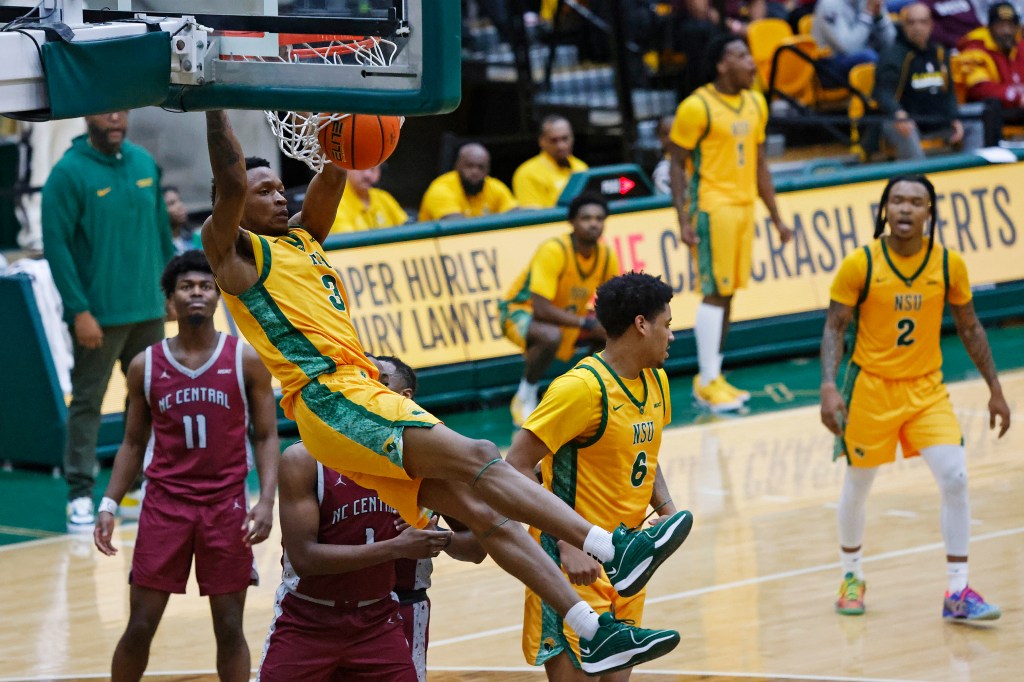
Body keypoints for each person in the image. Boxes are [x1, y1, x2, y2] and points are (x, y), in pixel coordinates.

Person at [200, 109, 692, 675]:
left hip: (353, 397)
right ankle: (613, 549)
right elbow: (233, 179)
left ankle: (591, 628)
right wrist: (215, 103)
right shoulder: (232, 255)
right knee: (482, 456)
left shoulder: (305, 240)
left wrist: (367, 105)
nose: (279, 198)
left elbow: (338, 167)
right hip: (329, 396)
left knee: (488, 519)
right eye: (267, 192)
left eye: (282, 187)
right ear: (236, 210)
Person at [819, 174, 1011, 621]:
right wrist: (829, 384)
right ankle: (851, 575)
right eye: (897, 200)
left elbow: (969, 326)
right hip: (870, 387)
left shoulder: (949, 265)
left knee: (956, 477)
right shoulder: (861, 263)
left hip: (927, 389)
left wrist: (995, 390)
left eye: (916, 202)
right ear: (885, 209)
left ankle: (958, 593)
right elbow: (835, 327)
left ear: (930, 212)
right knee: (859, 484)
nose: (905, 209)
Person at [93, 250, 279, 681]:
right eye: (185, 286)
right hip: (165, 505)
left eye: (205, 286)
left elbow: (267, 436)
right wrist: (108, 503)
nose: (196, 293)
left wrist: (266, 500)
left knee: (230, 627)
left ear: (217, 296)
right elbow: (133, 443)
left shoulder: (245, 360)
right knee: (140, 626)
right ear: (169, 301)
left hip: (226, 505)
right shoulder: (145, 365)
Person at [507, 272, 688, 681]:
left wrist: (667, 511)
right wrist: (569, 543)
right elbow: (514, 467)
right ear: (642, 324)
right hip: (571, 567)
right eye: (668, 324)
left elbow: (645, 453)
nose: (672, 336)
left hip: (628, 562)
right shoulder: (580, 389)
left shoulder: (657, 380)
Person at [41, 110, 175, 533]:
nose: (116, 118)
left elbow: (161, 233)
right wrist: (78, 310)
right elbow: (57, 248)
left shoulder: (142, 163)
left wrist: (169, 288)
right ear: (87, 118)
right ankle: (80, 494)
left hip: (148, 309)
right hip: (97, 316)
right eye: (105, 111)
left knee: (147, 402)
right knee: (87, 403)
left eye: (122, 111)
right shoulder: (67, 174)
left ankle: (136, 488)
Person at [668, 34, 793, 412]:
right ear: (722, 64)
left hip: (743, 207)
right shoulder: (697, 107)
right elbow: (675, 163)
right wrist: (682, 218)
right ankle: (705, 380)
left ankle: (715, 375)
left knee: (729, 292)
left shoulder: (756, 103)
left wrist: (776, 218)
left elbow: (759, 164)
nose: (752, 63)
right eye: (741, 56)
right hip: (712, 207)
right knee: (714, 290)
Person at [257, 440, 448, 680]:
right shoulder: (304, 459)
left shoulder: (407, 455)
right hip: (307, 620)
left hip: (377, 620)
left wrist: (429, 530)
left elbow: (472, 546)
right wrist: (396, 547)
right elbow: (304, 559)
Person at [374, 354, 486, 682]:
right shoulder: (336, 444)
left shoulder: (435, 458)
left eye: (381, 381)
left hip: (404, 605)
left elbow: (476, 548)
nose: (368, 386)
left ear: (405, 396)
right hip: (335, 605)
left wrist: (440, 538)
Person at [499, 193, 620, 427]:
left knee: (611, 332)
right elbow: (542, 308)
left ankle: (582, 390)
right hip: (519, 310)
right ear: (572, 222)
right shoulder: (554, 250)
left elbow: (612, 302)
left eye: (599, 218)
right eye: (586, 218)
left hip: (566, 315)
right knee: (550, 335)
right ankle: (525, 396)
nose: (593, 223)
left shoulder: (606, 255)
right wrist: (585, 323)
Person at [873, 3, 984, 159]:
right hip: (908, 121)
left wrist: (954, 116)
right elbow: (882, 93)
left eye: (922, 22)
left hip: (938, 116)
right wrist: (898, 112)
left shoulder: (940, 52)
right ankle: (918, 176)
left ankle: (971, 167)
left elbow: (949, 91)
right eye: (911, 22)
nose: (917, 27)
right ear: (903, 26)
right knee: (902, 126)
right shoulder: (893, 55)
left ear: (931, 25)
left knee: (977, 114)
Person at [957, 2, 1024, 123]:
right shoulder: (974, 48)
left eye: (1010, 26)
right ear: (990, 27)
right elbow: (979, 89)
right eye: (1001, 26)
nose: (1006, 31)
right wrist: (1016, 95)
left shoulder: (1020, 46)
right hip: (986, 118)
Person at [418, 142, 518, 222]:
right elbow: (455, 226)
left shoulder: (494, 186)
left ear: (488, 170)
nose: (475, 171)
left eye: (481, 167)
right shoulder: (441, 189)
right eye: (469, 166)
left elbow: (516, 215)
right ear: (457, 166)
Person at [512, 116, 589, 209]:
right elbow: (533, 215)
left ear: (572, 137)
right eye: (554, 140)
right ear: (542, 141)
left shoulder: (581, 167)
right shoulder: (527, 173)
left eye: (565, 138)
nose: (561, 146)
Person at [812, 0, 896, 85]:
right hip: (829, 65)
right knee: (869, 56)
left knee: (896, 53)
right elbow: (849, 48)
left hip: (860, 54)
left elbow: (891, 40)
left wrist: (879, 17)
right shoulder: (829, 4)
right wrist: (867, 14)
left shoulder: (869, 2)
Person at [330, 165, 408, 233]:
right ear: (346, 168)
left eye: (373, 169)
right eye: (360, 168)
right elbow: (347, 242)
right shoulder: (336, 202)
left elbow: (406, 228)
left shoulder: (383, 197)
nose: (367, 175)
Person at [165, 186, 196, 254]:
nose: (180, 206)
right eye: (171, 203)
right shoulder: (161, 248)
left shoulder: (197, 238)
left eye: (180, 200)